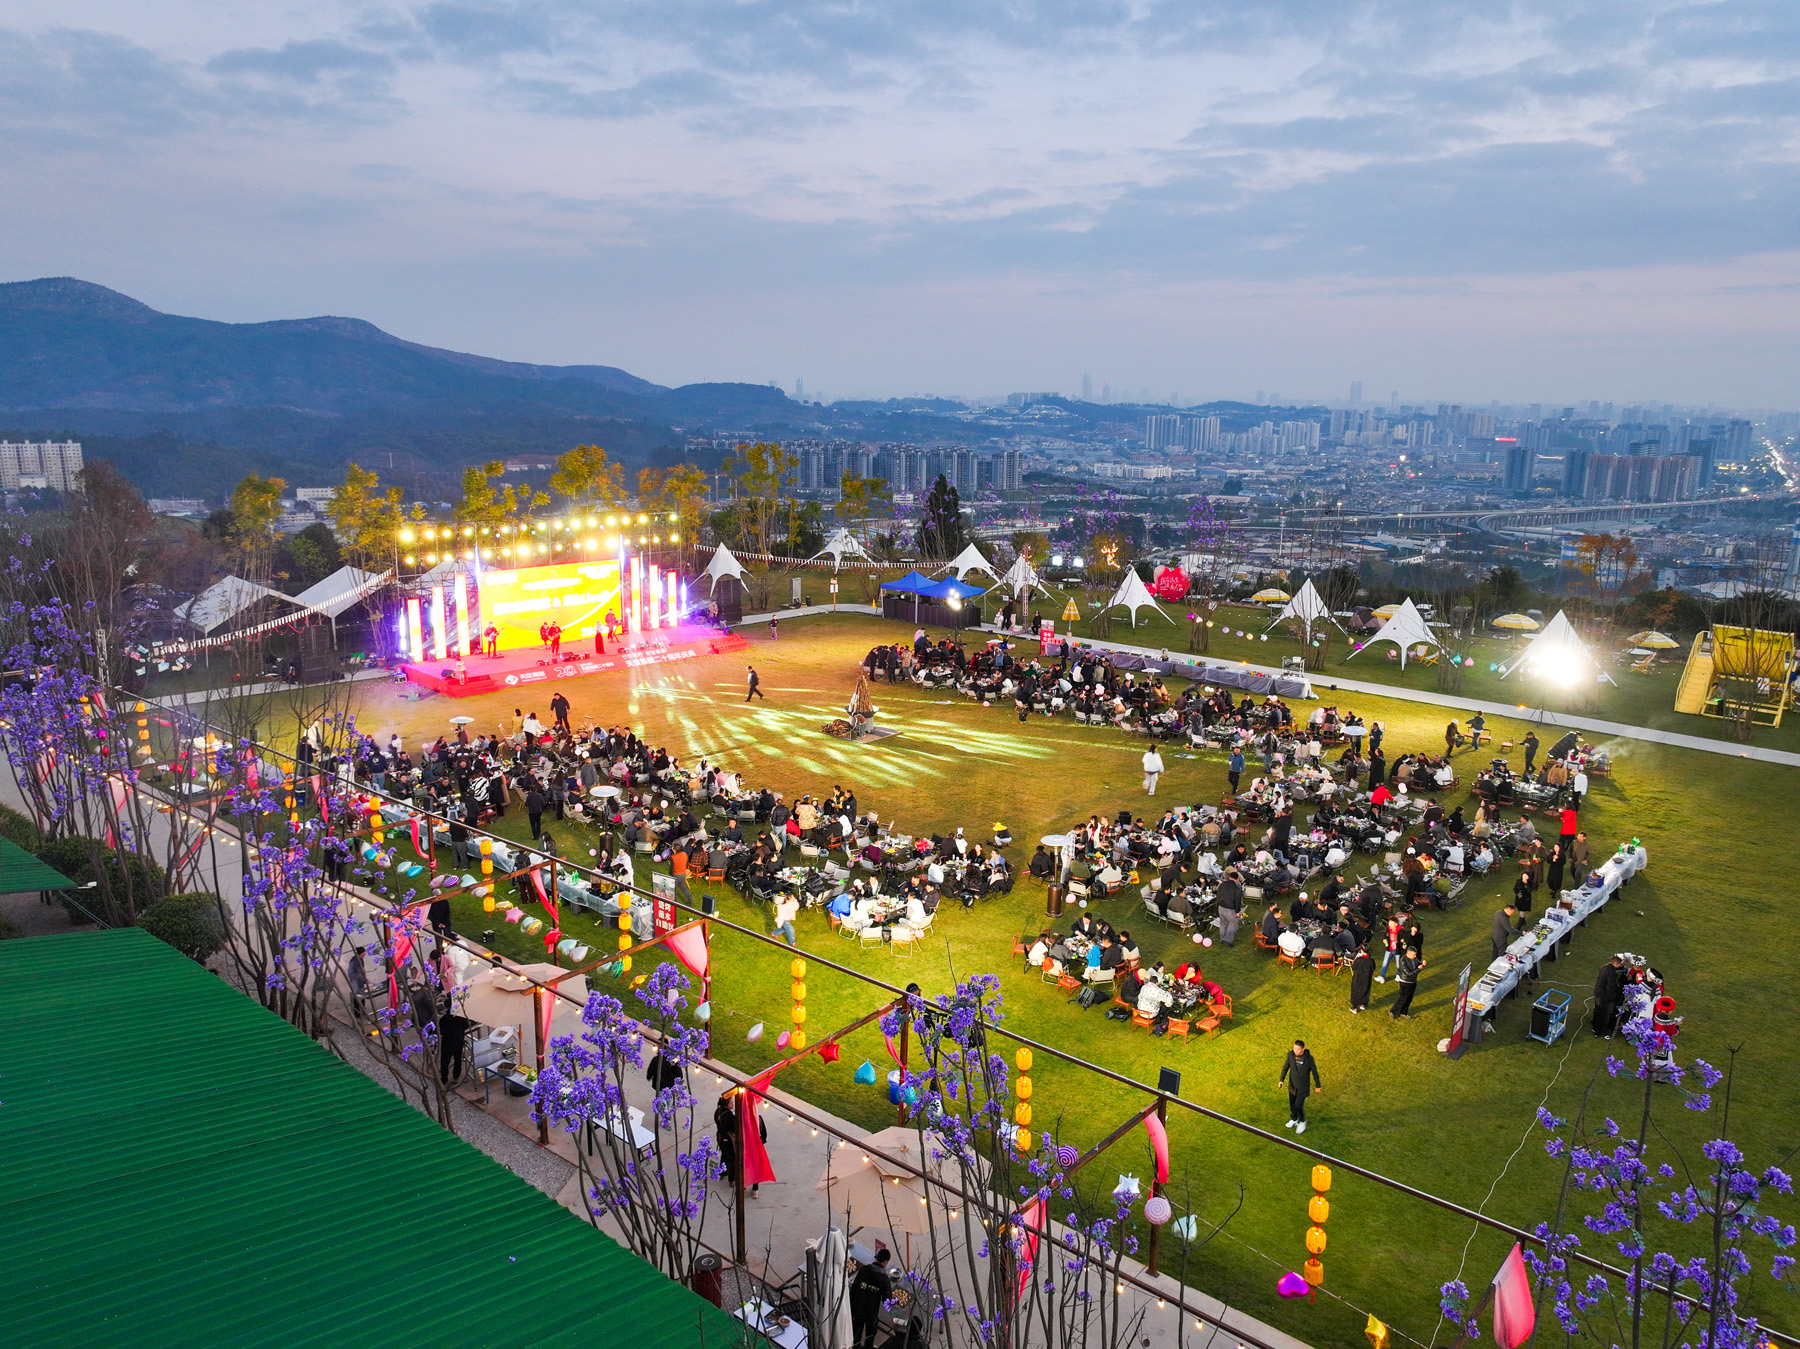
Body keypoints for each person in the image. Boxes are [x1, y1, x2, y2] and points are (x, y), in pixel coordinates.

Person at [850, 1249, 894, 1349]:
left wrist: (851, 1305)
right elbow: (887, 1300)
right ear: (885, 1262)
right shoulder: (883, 1279)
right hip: (871, 1312)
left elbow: (854, 1288)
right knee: (870, 1337)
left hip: (858, 1308)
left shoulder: (864, 1270)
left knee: (856, 1335)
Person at [1279, 1040, 1321, 1134]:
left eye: (1298, 1049)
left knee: (1298, 1105)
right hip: (1292, 1086)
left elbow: (1314, 1072)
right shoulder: (1290, 1055)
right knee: (1292, 1104)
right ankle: (1294, 1119)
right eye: (1294, 1048)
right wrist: (1281, 1080)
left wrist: (1318, 1085)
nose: (1295, 1051)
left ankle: (1302, 1121)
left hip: (1303, 1087)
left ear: (1303, 1049)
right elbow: (1285, 1067)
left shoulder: (1309, 1059)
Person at [1593, 954, 1625, 1039]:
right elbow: (1610, 986)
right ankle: (1601, 1033)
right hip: (1604, 996)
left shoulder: (1604, 967)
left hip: (1597, 992)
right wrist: (1612, 996)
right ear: (1616, 964)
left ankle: (1595, 1027)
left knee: (1597, 1011)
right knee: (1604, 1015)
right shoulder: (1612, 972)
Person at [1389, 947, 1426, 1018]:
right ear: (1409, 953)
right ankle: (1393, 1011)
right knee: (1403, 998)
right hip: (1405, 982)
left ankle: (1403, 1012)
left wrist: (1422, 964)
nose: (1415, 956)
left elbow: (1418, 964)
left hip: (1413, 981)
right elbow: (1408, 973)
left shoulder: (1414, 958)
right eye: (1414, 954)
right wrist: (1418, 969)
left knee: (1409, 998)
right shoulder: (1403, 961)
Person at [1348, 946, 1374, 1013]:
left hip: (1358, 978)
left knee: (1356, 991)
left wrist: (1356, 959)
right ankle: (1363, 1004)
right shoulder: (1371, 961)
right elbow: (1373, 968)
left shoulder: (1359, 959)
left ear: (1362, 951)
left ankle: (1355, 1007)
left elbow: (1353, 967)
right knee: (1365, 990)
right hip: (1367, 978)